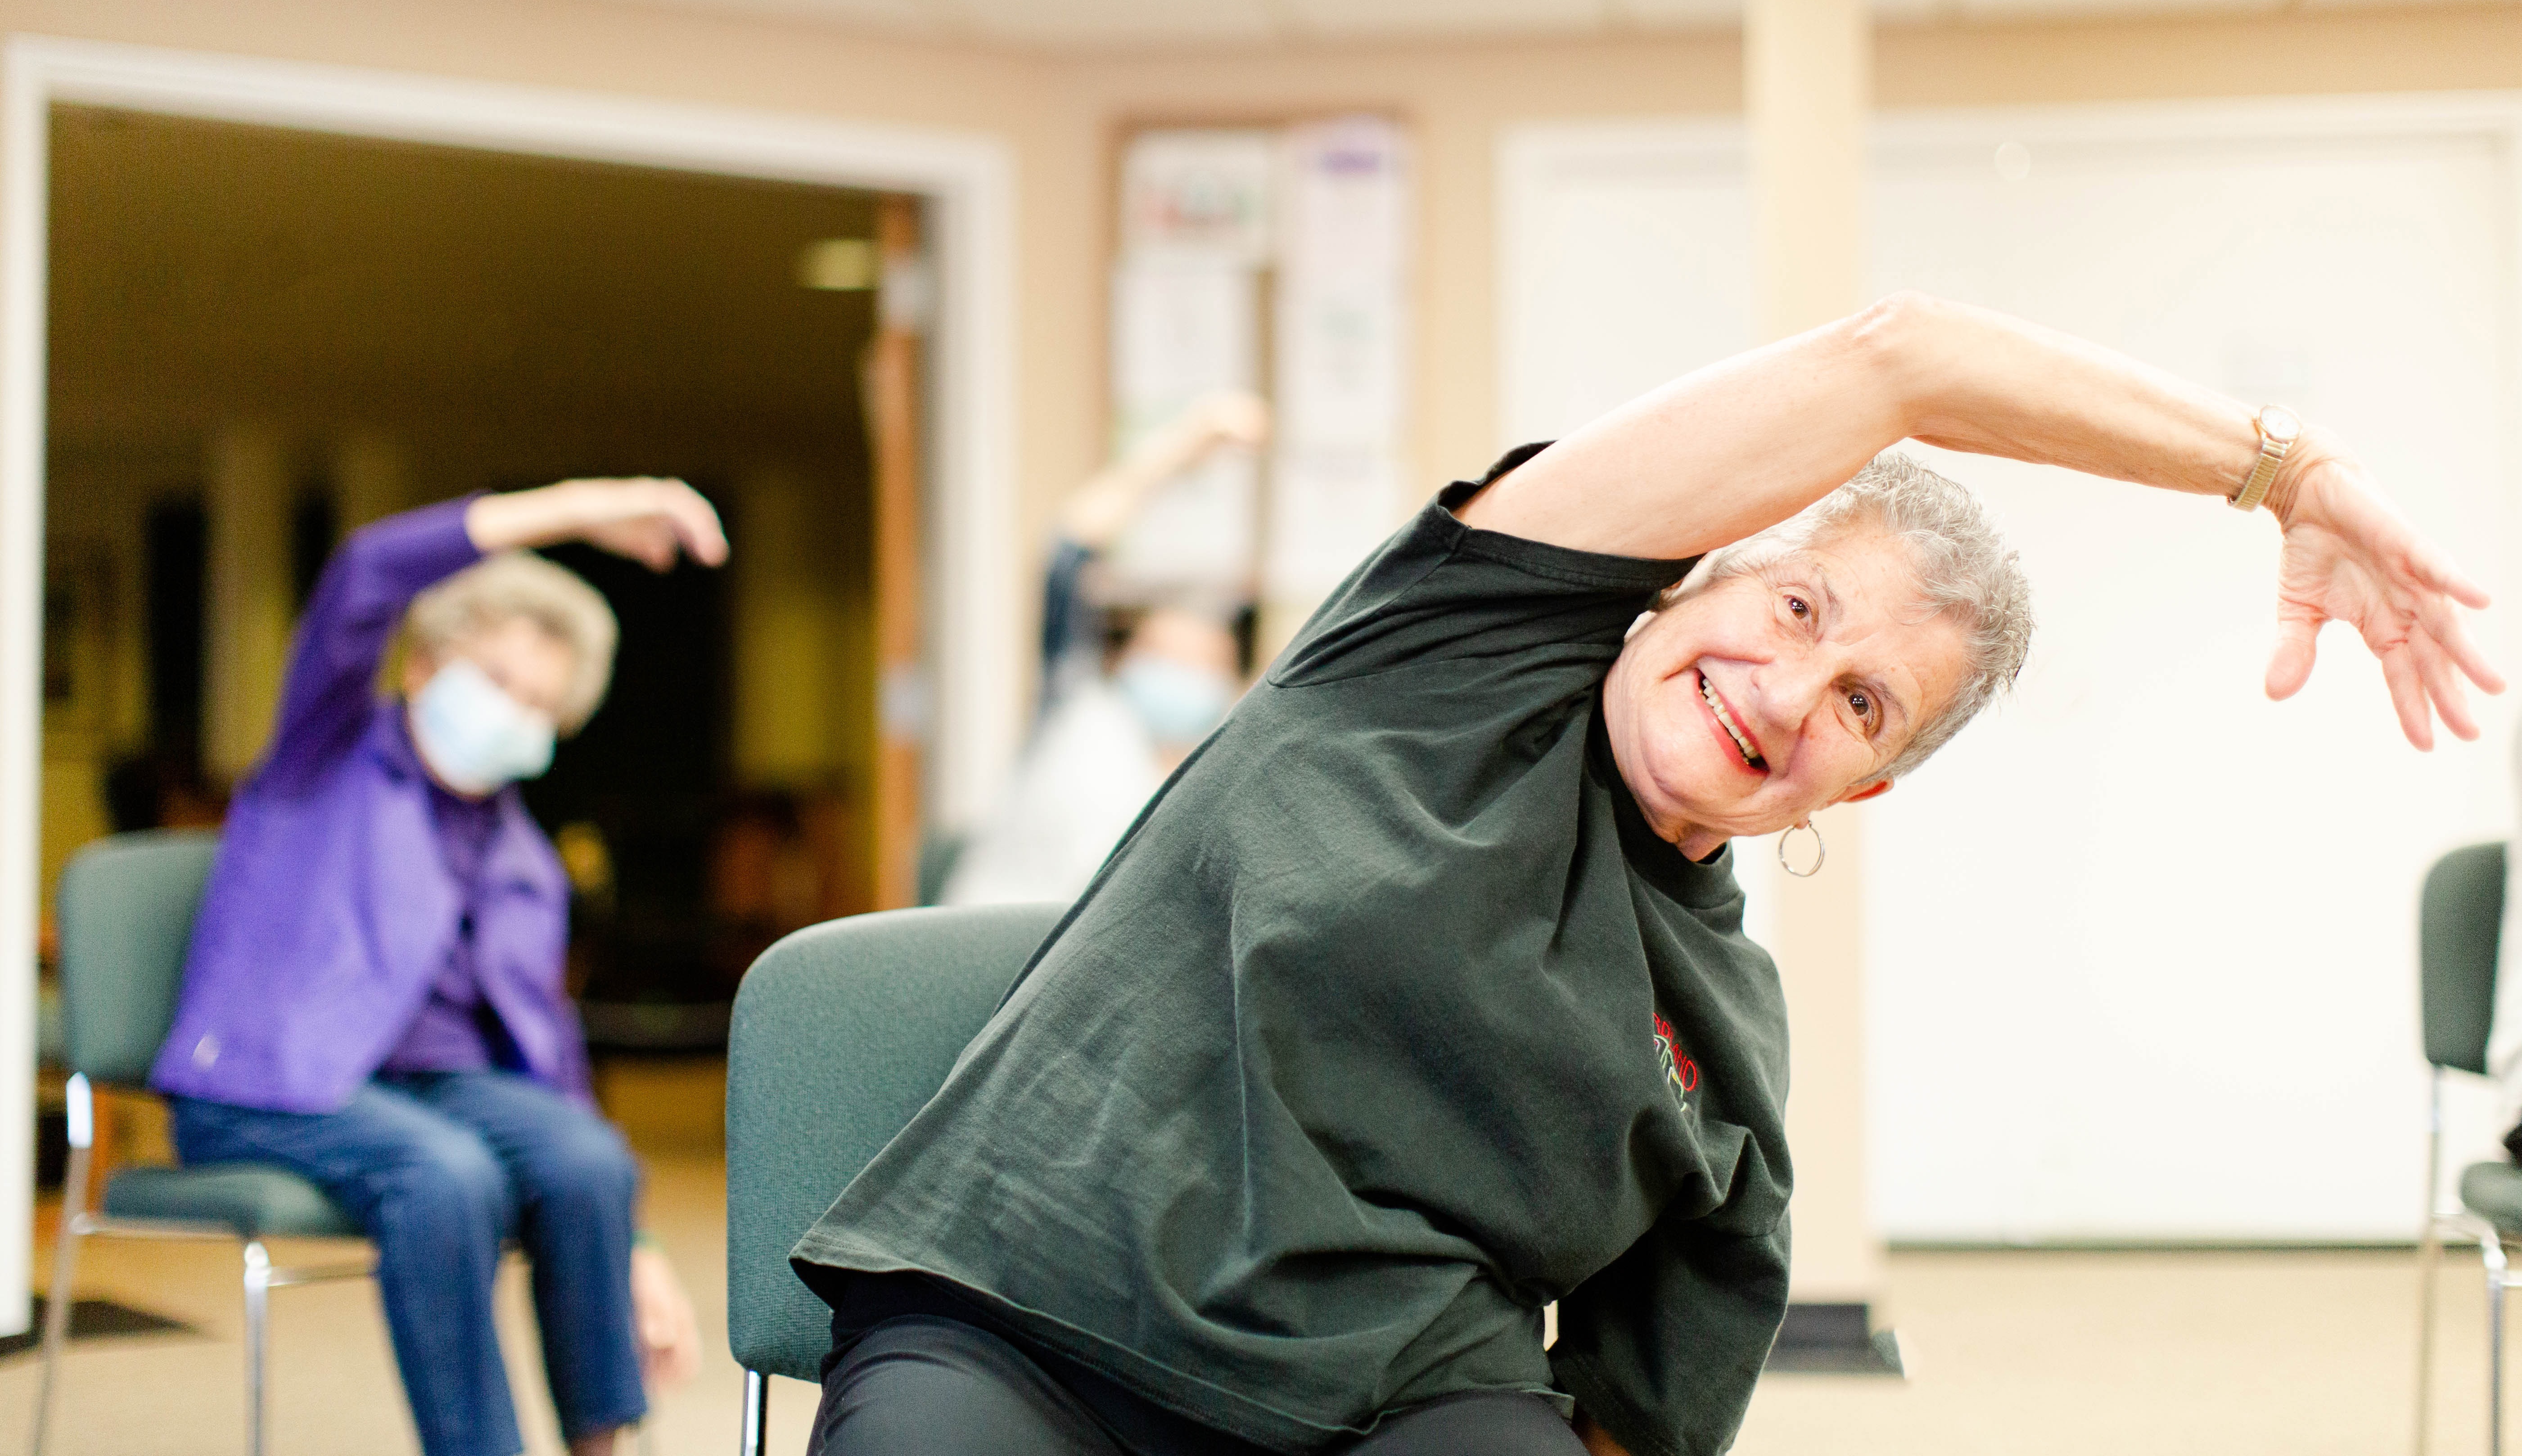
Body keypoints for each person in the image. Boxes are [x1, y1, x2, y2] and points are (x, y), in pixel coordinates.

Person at [792, 294, 2499, 1456]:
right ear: (1675, 583)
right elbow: (1897, 354)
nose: (1786, 692)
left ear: (1869, 779)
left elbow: (1633, 1402)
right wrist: (2284, 469)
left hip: (1380, 1400)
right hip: (1027, 1316)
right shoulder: (1443, 647)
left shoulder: (1721, 1039)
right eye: (1797, 608)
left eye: (1858, 702)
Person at [152, 478, 726, 1456]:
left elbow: (549, 1064)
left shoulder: (523, 856)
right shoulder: (322, 754)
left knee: (587, 1158)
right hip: (273, 1077)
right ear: (421, 666)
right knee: (447, 1177)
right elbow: (368, 569)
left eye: (541, 704)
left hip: (436, 1088)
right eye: (498, 680)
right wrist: (584, 510)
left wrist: (632, 1242)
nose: (516, 714)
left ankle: (604, 1447)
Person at [939, 390, 1267, 908]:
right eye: (1163, 653)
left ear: (1230, 686)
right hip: (992, 953)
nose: (1179, 674)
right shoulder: (1082, 713)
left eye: (1200, 664)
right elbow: (1067, 553)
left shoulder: (1225, 776)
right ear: (1128, 660)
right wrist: (1186, 445)